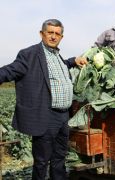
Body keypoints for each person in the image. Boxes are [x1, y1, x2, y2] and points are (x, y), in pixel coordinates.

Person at [0, 19, 87, 180]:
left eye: (57, 34)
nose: (53, 37)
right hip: (45, 116)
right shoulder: (30, 54)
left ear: (61, 36)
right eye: (50, 32)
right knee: (41, 161)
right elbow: (9, 71)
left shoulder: (57, 56)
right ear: (42, 34)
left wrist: (73, 60)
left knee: (59, 158)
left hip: (63, 116)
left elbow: (61, 67)